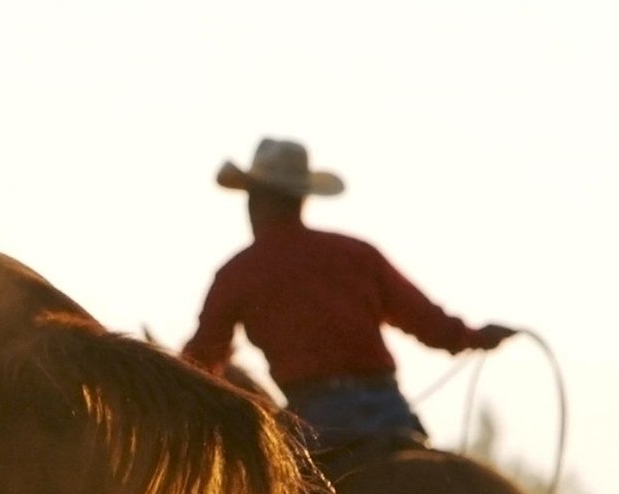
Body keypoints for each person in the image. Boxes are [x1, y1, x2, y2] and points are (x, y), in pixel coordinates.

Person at [182, 138, 514, 452]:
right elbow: (430, 324)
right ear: (301, 198)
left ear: (256, 201)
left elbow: (201, 362)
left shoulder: (238, 273)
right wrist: (477, 337)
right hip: (389, 409)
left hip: (314, 419)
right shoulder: (357, 255)